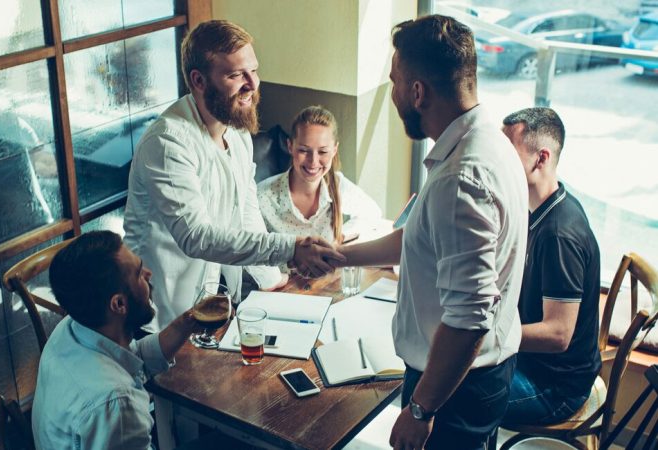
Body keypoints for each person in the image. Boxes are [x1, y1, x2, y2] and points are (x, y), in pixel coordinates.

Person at [333, 15, 528, 449]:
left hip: (453, 388)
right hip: (478, 374)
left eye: (395, 83)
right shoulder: (490, 142)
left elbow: (469, 318)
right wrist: (340, 255)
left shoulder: (461, 179)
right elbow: (421, 238)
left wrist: (421, 409)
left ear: (418, 92)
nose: (393, 94)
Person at [123, 20, 344, 331]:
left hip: (208, 303)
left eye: (254, 70)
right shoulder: (167, 143)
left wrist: (270, 278)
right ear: (199, 81)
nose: (253, 84)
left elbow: (245, 212)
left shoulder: (237, 133)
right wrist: (291, 248)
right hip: (156, 311)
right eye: (236, 75)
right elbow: (196, 237)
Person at [32, 231, 199, 450]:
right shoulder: (116, 405)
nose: (148, 274)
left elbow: (130, 360)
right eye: (139, 273)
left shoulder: (70, 328)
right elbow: (115, 387)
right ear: (119, 304)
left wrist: (186, 323)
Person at [500, 107, 602, 426]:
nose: (497, 161)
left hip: (554, 389)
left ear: (541, 159)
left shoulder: (559, 234)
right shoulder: (542, 204)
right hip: (533, 365)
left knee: (458, 395)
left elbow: (558, 334)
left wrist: (491, 335)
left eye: (508, 153)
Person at [257, 106, 382, 256]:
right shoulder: (262, 197)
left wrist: (341, 237)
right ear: (290, 146)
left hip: (331, 271)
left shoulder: (338, 185)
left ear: (334, 150)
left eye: (323, 151)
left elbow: (372, 212)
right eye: (304, 150)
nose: (313, 162)